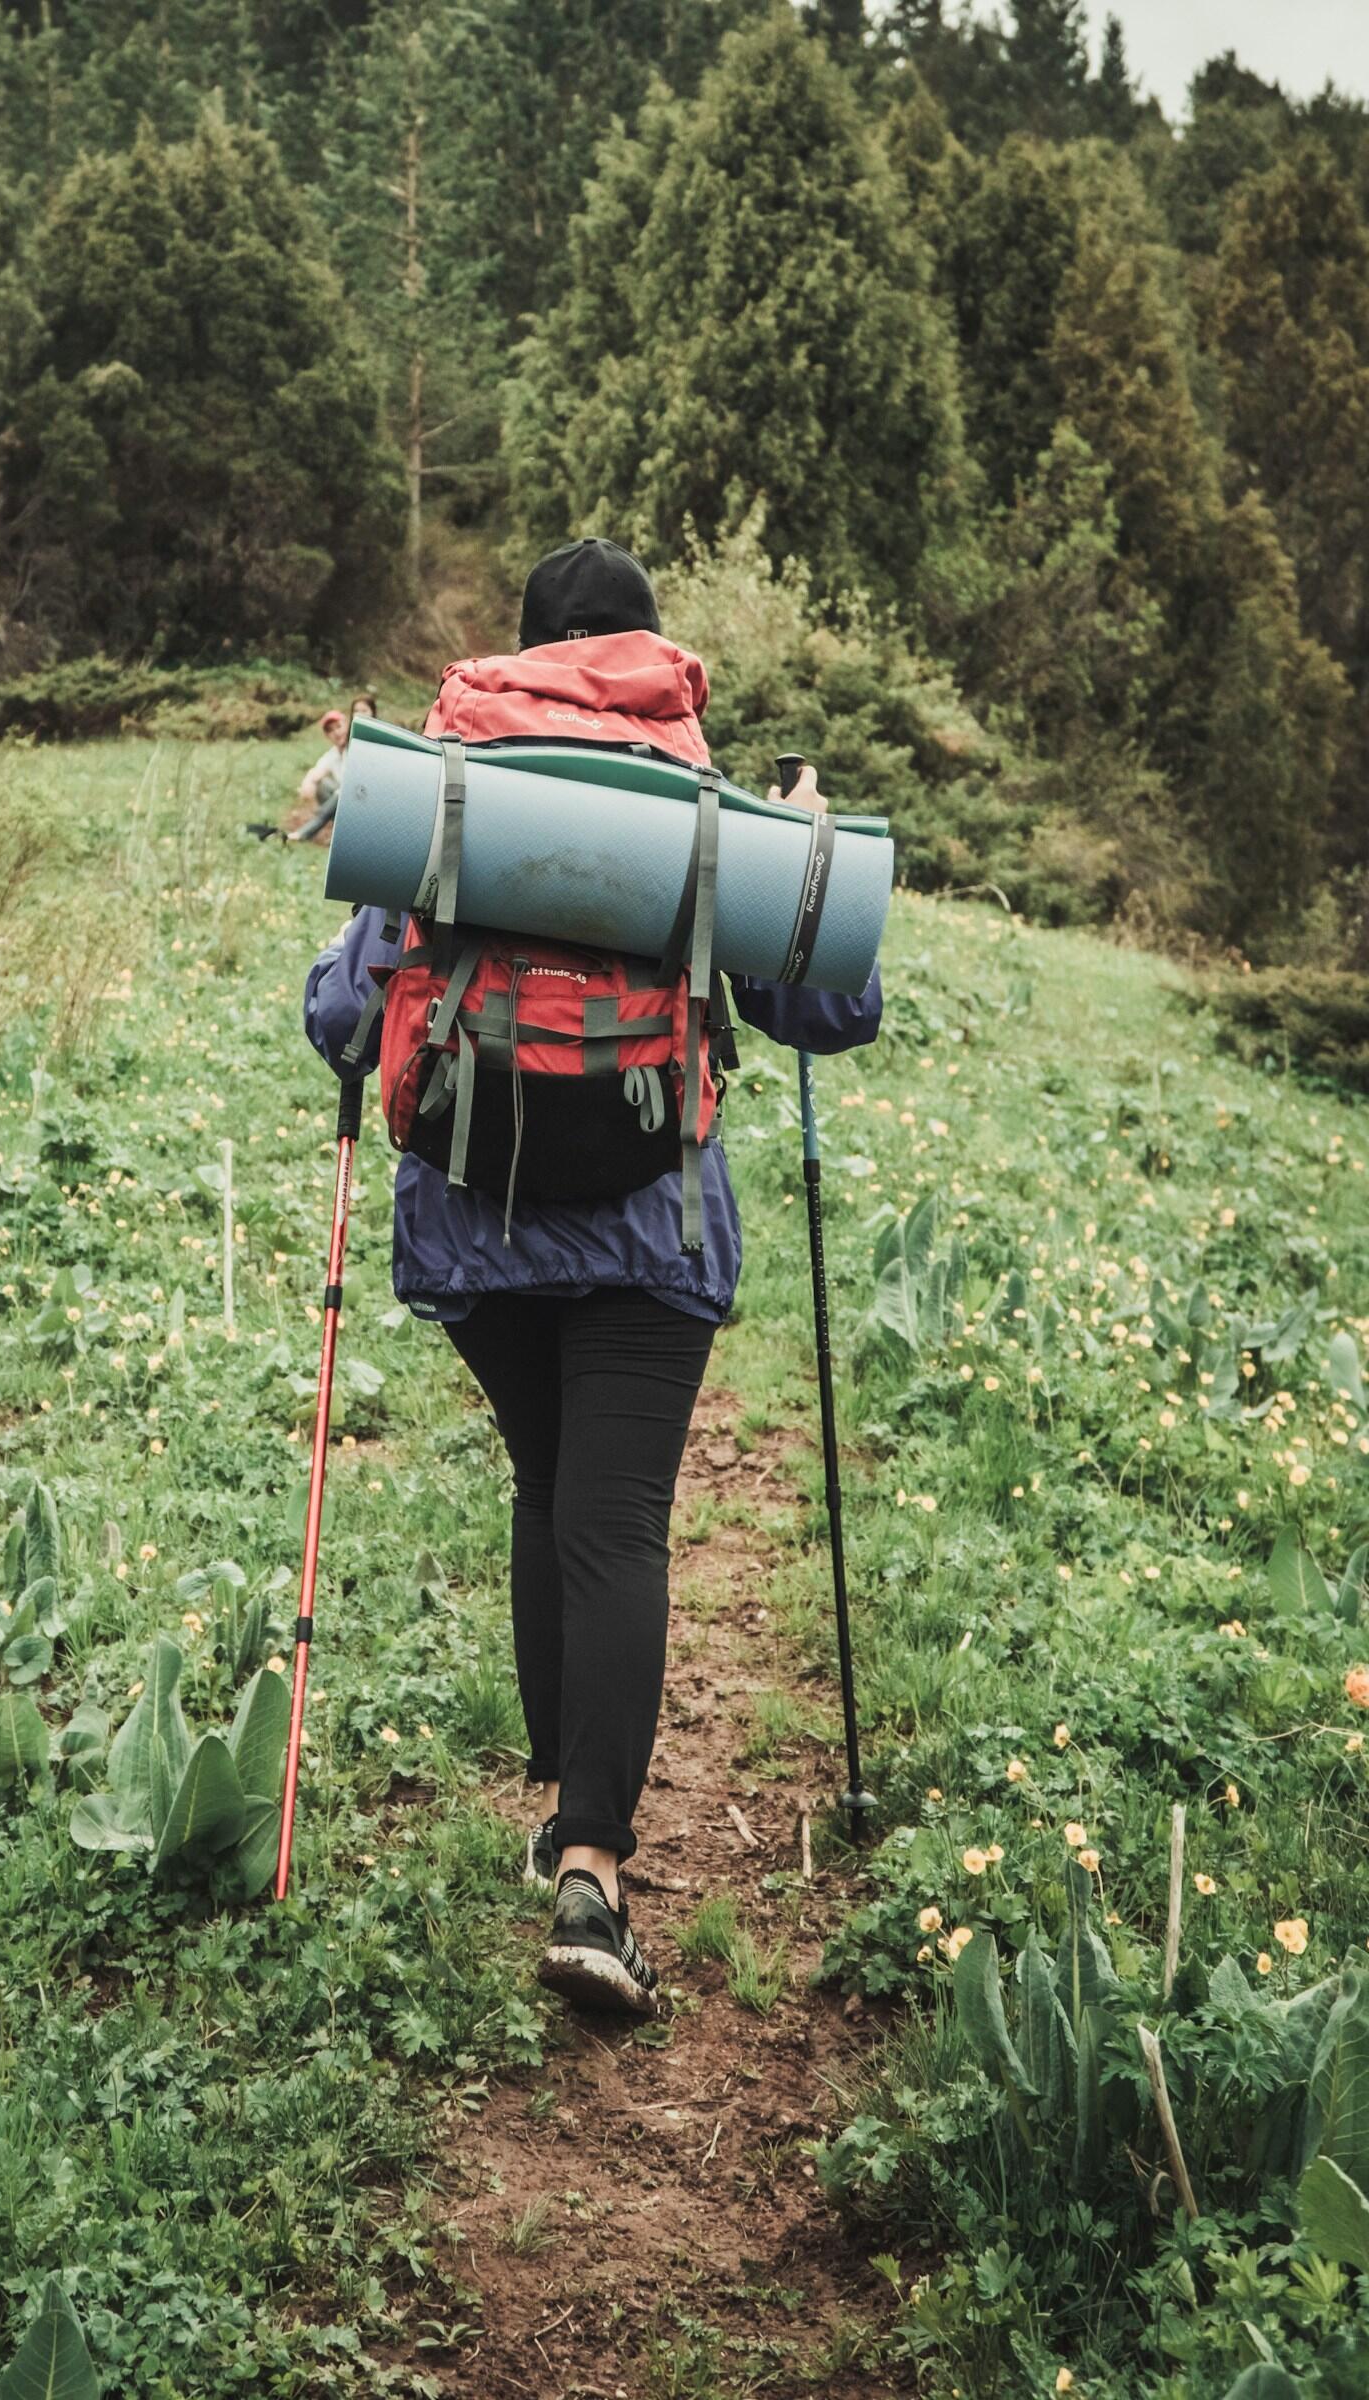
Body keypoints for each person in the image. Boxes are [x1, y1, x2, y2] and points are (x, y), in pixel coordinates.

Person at [302, 538, 881, 2016]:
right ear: (646, 651)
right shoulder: (698, 798)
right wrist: (801, 834)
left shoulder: (456, 790)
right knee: (617, 1521)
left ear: (523, 652)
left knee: (548, 1492)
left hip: (474, 1232)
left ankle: (560, 1792)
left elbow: (342, 1018)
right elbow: (831, 1005)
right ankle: (595, 1872)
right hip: (649, 1230)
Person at [288, 694, 376, 843]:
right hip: (348, 802)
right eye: (330, 730)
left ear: (347, 725)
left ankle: (304, 833)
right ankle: (344, 831)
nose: (336, 733)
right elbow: (316, 772)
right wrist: (308, 783)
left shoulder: (359, 744)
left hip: (367, 802)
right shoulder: (333, 754)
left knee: (341, 792)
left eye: (339, 727)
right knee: (322, 785)